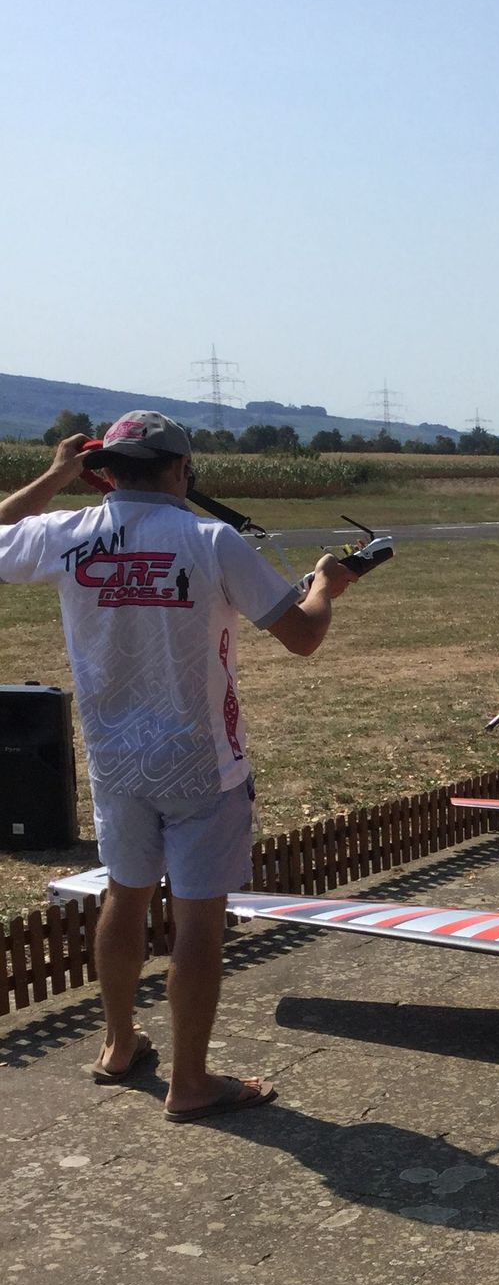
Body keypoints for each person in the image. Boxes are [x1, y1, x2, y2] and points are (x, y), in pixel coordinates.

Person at [0, 414, 362, 1119]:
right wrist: (324, 585)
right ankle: (190, 1082)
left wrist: (54, 476)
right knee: (198, 917)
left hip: (113, 761)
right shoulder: (210, 539)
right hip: (203, 763)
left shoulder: (67, 532)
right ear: (178, 469)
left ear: (107, 470)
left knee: (125, 894)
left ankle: (117, 1044)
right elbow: (302, 635)